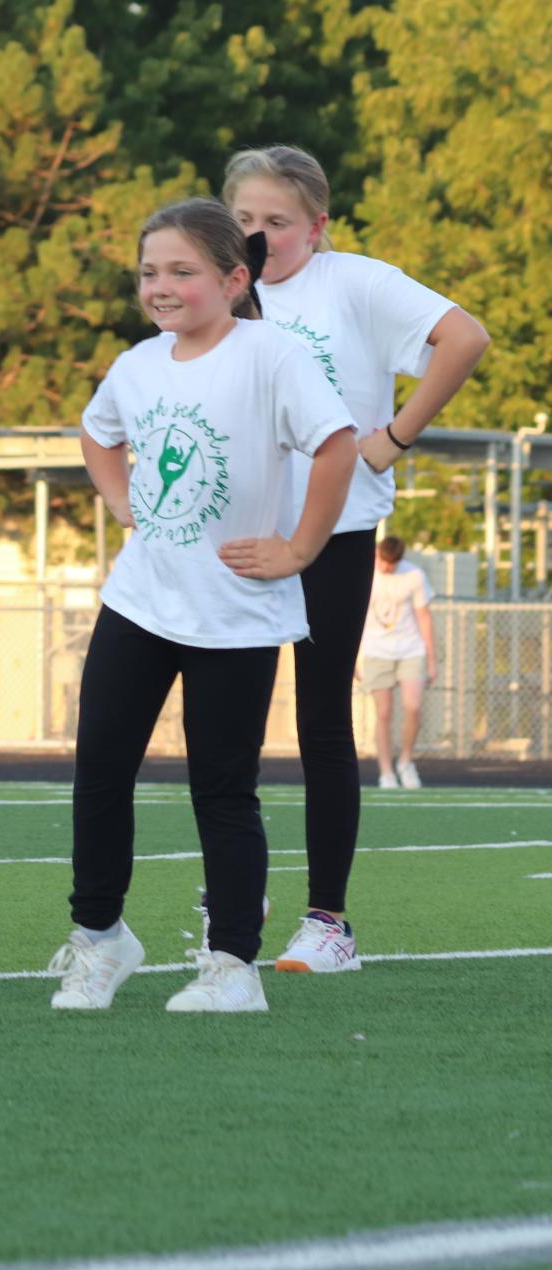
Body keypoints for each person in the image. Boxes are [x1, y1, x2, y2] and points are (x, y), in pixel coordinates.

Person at [49, 198, 356, 1014]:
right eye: (149, 271)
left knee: (221, 792)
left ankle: (231, 967)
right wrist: (118, 500)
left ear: (233, 278)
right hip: (139, 601)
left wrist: (298, 549)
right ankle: (100, 940)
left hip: (234, 612)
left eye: (182, 271)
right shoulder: (138, 364)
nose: (161, 287)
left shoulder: (270, 355)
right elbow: (96, 432)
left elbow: (336, 445)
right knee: (99, 771)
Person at [226, 145, 488, 973]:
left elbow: (463, 337)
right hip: (236, 536)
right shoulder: (221, 292)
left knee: (319, 724)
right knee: (224, 717)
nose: (259, 237)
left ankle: (327, 922)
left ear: (316, 225)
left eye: (276, 222)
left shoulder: (356, 283)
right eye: (242, 222)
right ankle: (237, 891)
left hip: (333, 533)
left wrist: (393, 438)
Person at [359, 535, 437, 790]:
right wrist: (353, 658)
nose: (387, 568)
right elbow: (355, 617)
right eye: (383, 561)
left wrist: (432, 659)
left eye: (392, 564)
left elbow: (423, 617)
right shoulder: (366, 573)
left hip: (410, 650)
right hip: (376, 651)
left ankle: (405, 761)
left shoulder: (414, 576)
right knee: (383, 713)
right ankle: (386, 772)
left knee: (412, 707)